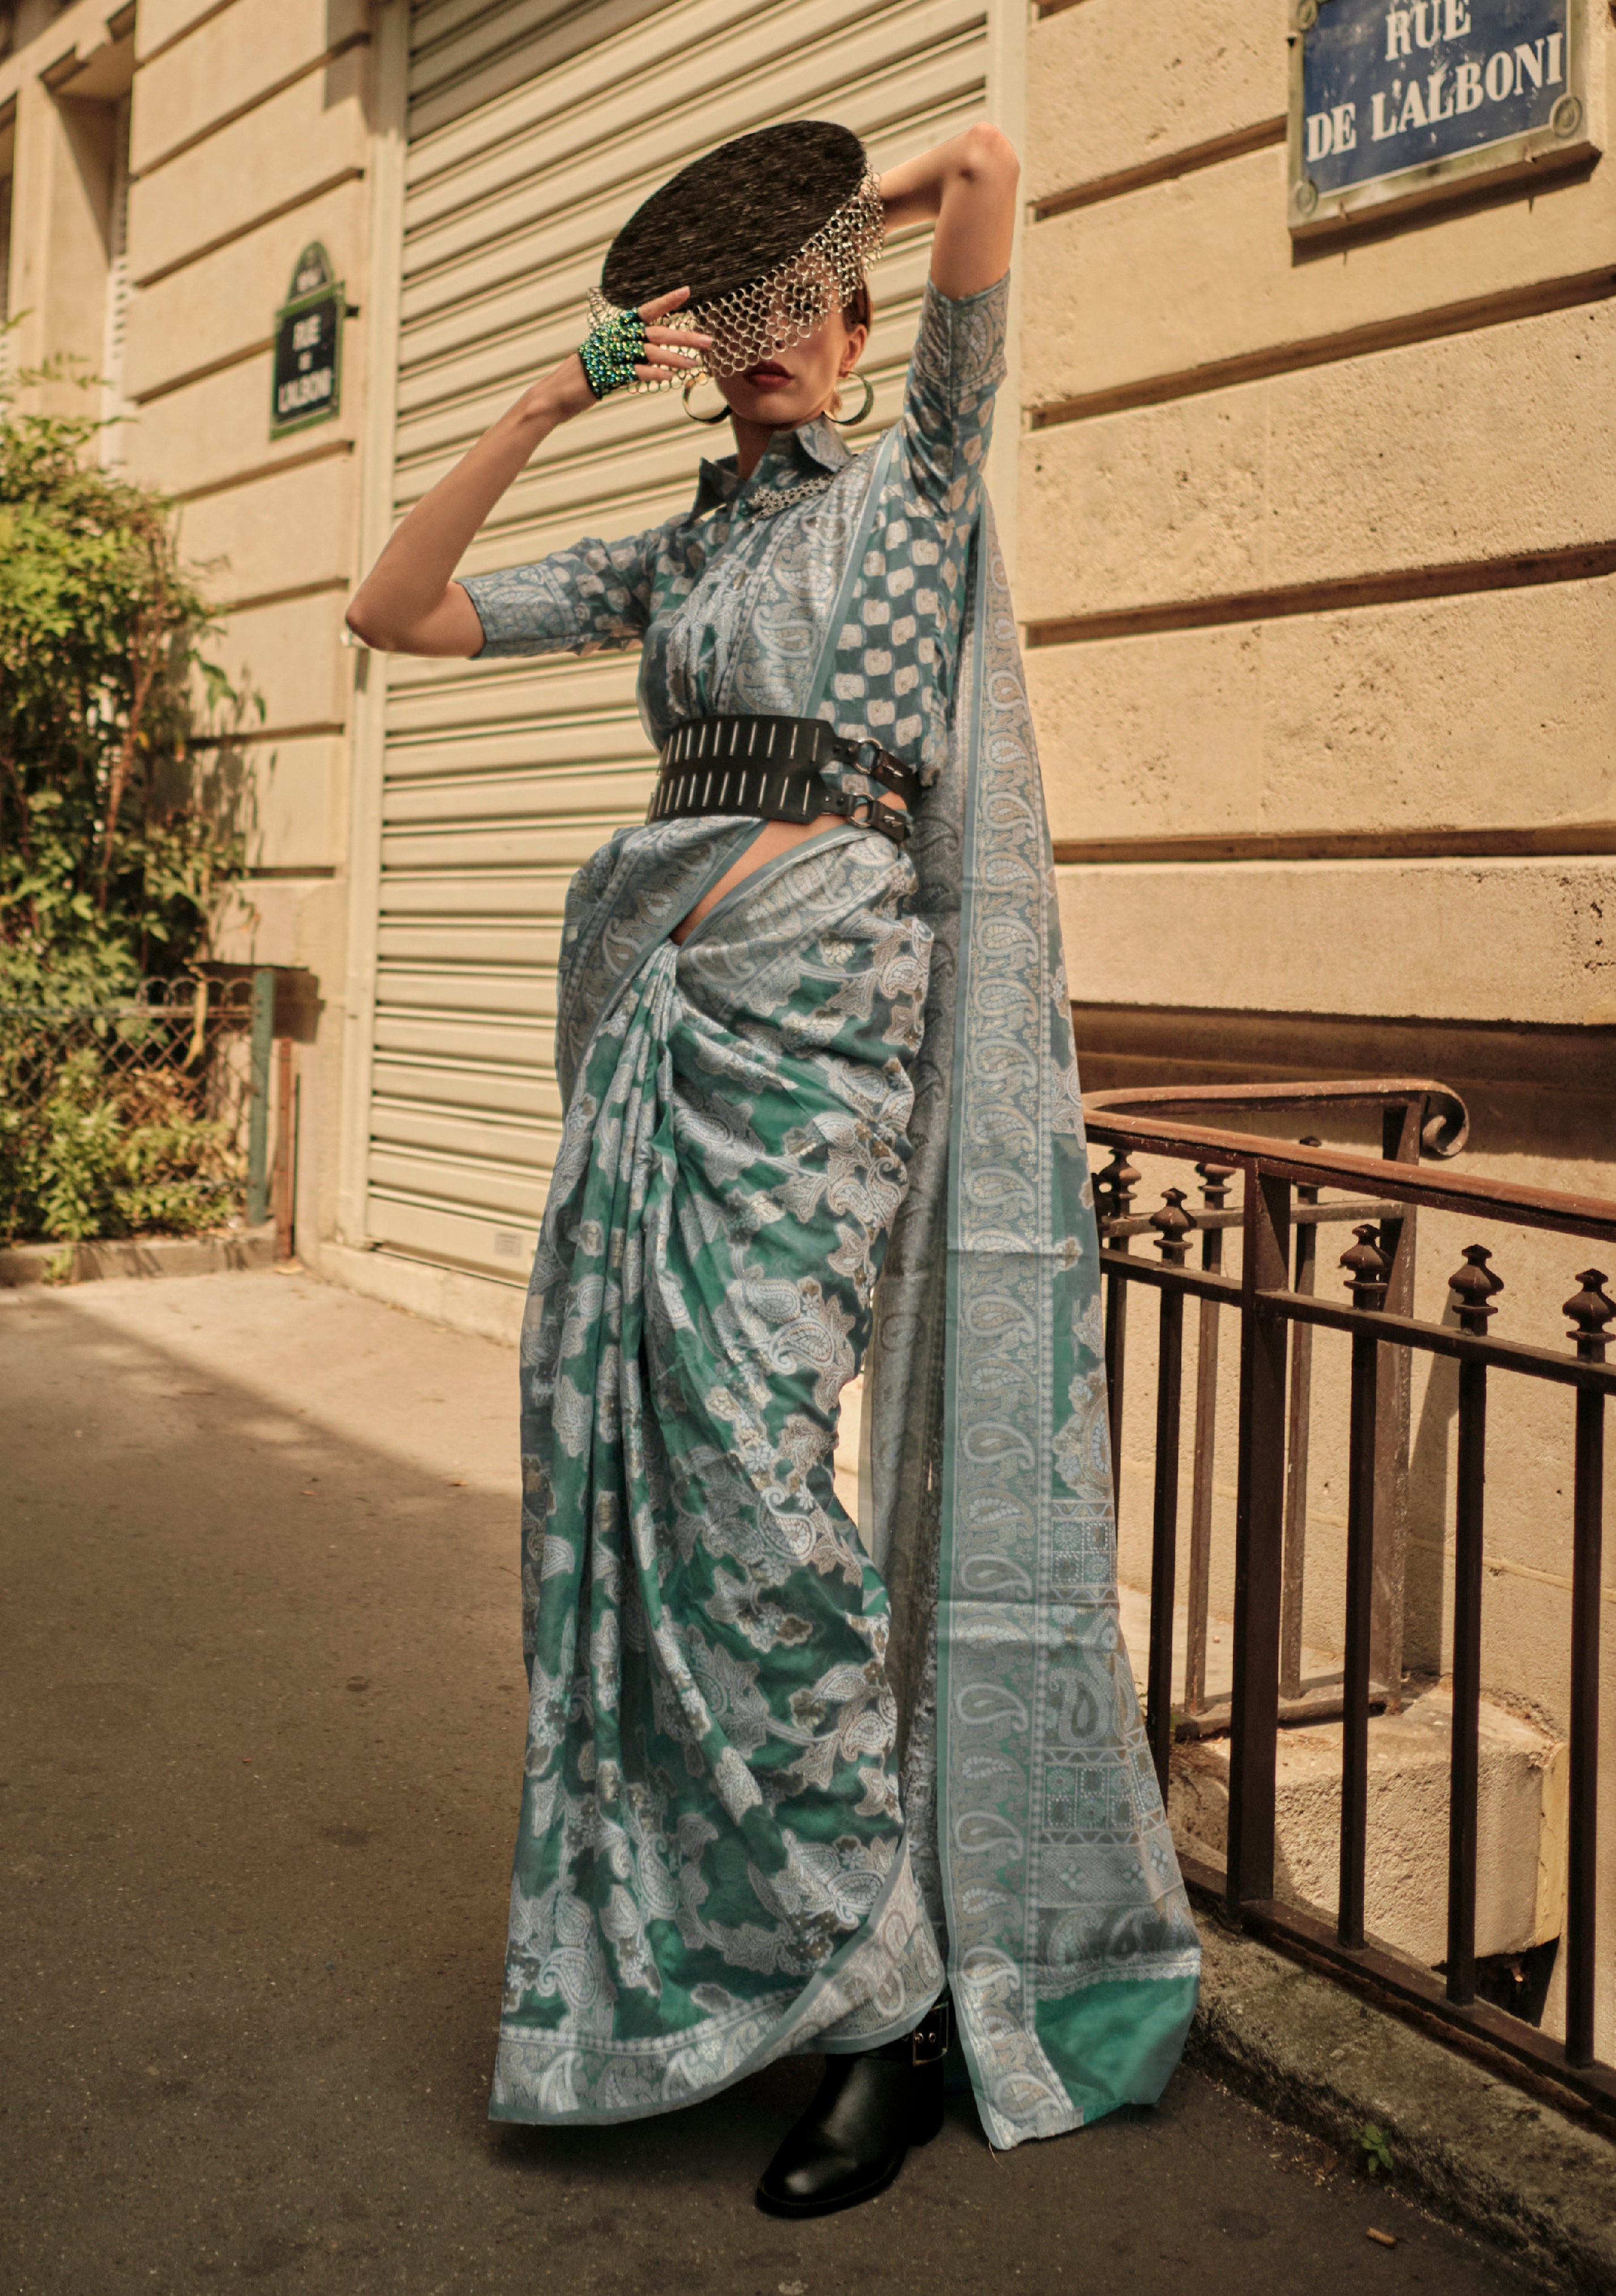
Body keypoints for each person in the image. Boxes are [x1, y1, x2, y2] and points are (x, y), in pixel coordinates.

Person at [346, 117, 1199, 2219]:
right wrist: (554, 388)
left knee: (747, 1484)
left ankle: (896, 2001)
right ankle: (776, 1966)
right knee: (629, 1473)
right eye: (730, 325)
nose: (764, 348)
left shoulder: (913, 480)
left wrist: (829, 217)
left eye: (792, 311)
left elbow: (998, 164)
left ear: (843, 317)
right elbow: (398, 609)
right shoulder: (677, 550)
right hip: (658, 1009)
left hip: (826, 1019)